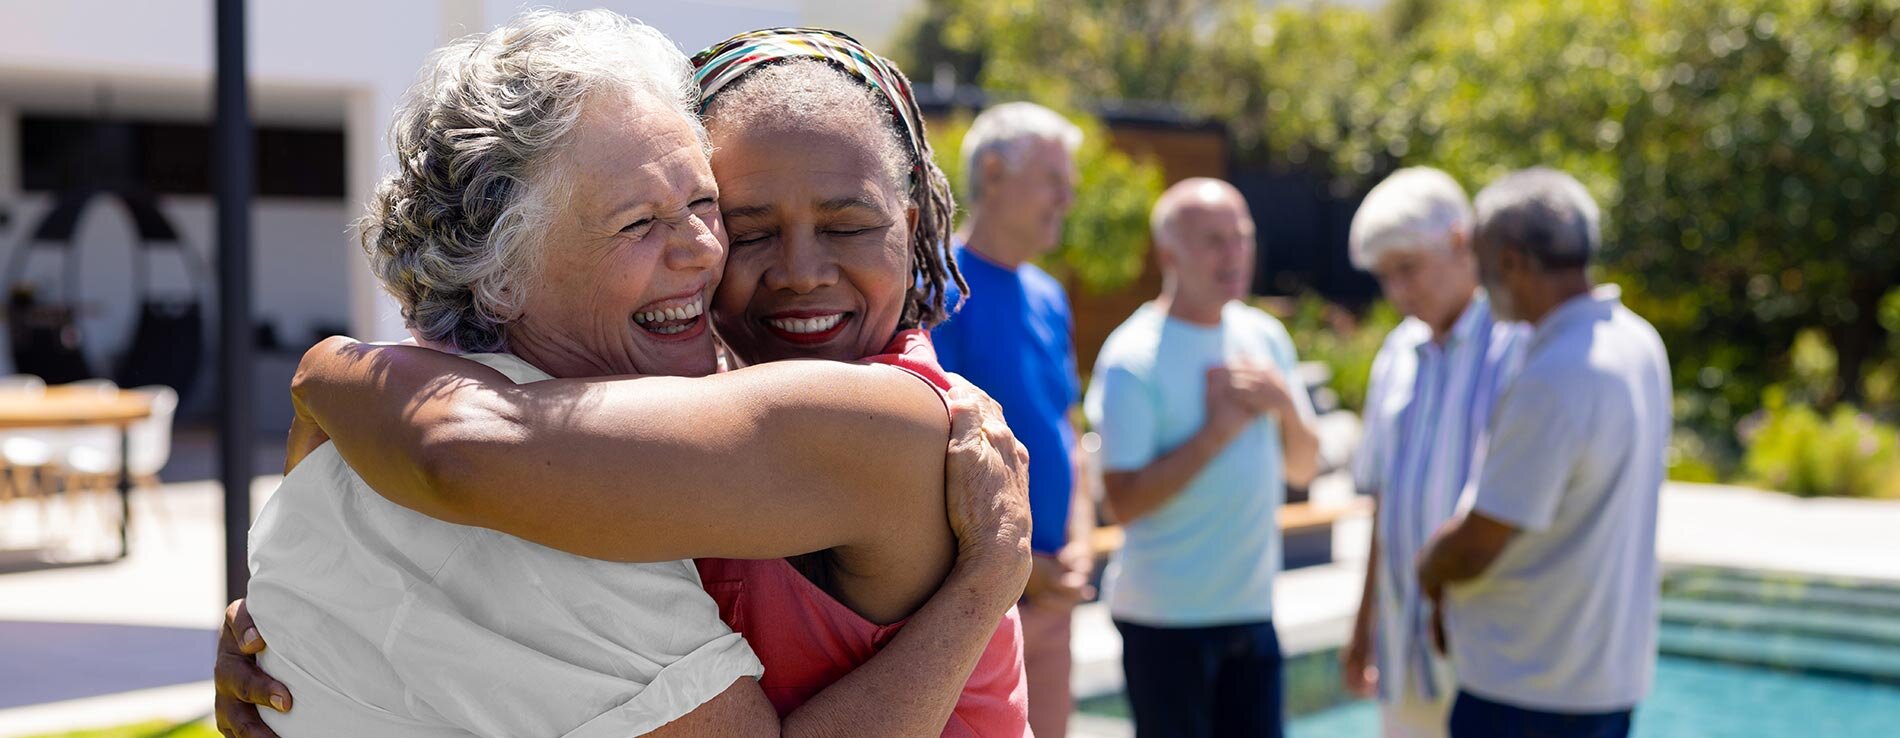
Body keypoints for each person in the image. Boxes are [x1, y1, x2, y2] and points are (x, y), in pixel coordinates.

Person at [214, 16, 1031, 737]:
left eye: (700, 207)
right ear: (502, 274)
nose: (795, 270)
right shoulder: (688, 399)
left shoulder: (886, 419)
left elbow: (457, 448)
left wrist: (325, 376)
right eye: (738, 223)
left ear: (915, 225)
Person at [1416, 167, 1670, 738]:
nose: (1477, 282)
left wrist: (1429, 568)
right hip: (1598, 678)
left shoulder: (1557, 376)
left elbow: (1480, 543)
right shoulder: (1637, 342)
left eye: (1479, 260)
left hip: (1527, 688)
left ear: (1510, 260)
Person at [1084, 178, 1320, 738]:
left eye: (1242, 237)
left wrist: (1284, 405)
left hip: (1253, 611)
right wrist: (1217, 434)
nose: (1234, 253)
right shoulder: (1132, 356)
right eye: (1214, 240)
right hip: (1164, 621)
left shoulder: (1265, 337)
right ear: (1170, 254)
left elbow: (1303, 468)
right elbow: (1123, 502)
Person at [1338, 167, 1528, 738]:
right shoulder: (1396, 355)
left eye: (1408, 269)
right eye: (1384, 277)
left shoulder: (1518, 344)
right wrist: (1362, 626)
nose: (1398, 291)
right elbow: (1384, 510)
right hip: (1405, 648)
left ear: (1460, 242)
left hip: (1492, 650)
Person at [930, 101, 1089, 738]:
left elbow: (1065, 424)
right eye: (1055, 180)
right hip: (979, 601)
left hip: (1053, 593)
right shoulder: (934, 284)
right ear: (993, 172)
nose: (1068, 199)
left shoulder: (1049, 294)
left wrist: (1080, 540)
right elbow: (932, 445)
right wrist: (1018, 563)